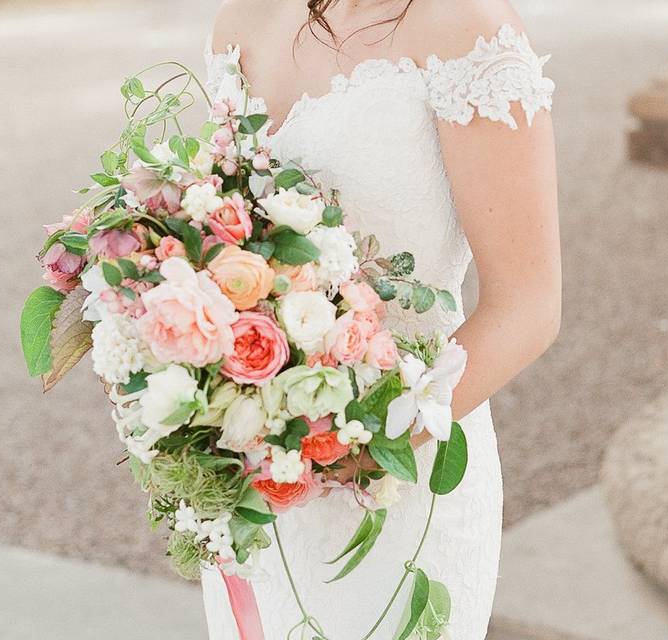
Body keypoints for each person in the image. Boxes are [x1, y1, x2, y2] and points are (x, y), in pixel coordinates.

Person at [201, 1, 561, 637]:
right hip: (254, 478)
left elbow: (528, 304)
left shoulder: (466, 29)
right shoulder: (243, 18)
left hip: (396, 480)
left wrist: (362, 448)